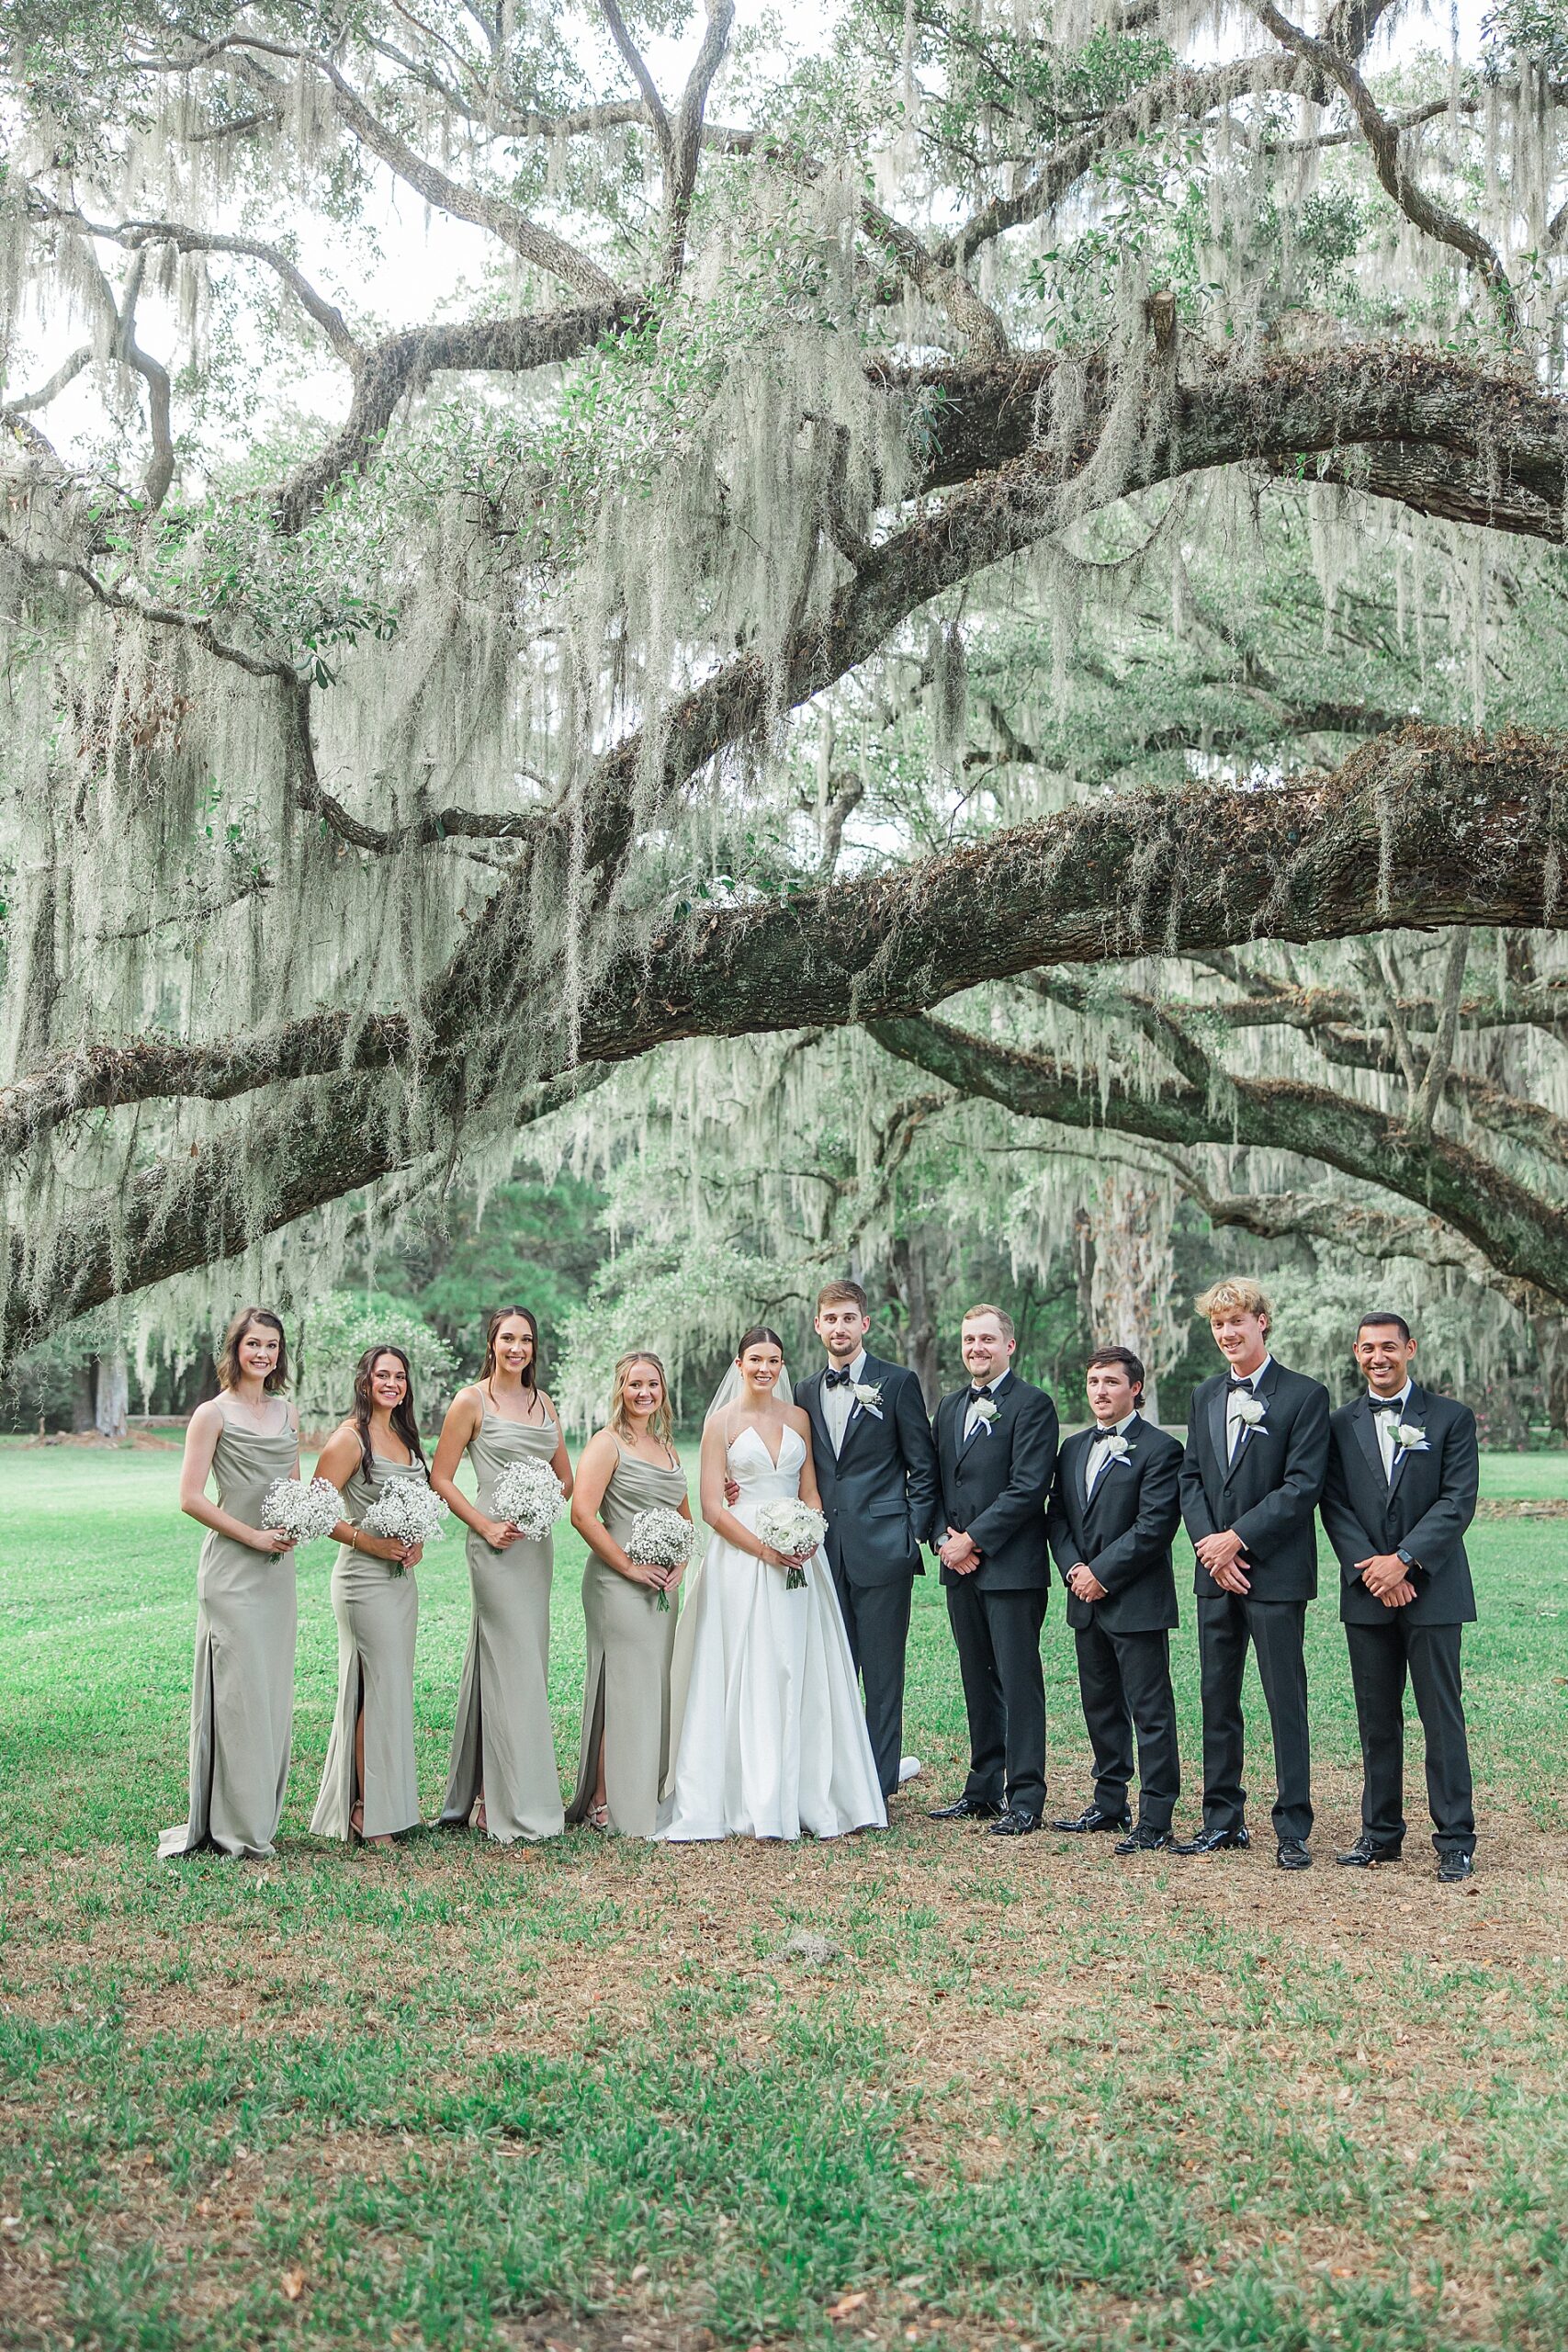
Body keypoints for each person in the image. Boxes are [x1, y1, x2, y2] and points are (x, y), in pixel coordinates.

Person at [661, 1327, 885, 1842]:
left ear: (783, 1365)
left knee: (799, 1662)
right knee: (750, 1662)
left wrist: (808, 1537)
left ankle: (811, 1790)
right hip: (742, 1559)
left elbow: (809, 1490)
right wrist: (767, 1551)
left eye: (775, 1360)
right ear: (738, 1364)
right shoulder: (719, 1424)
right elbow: (713, 1509)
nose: (766, 1368)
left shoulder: (798, 1418)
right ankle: (750, 1794)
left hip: (802, 1558)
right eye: (756, 1359)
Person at [1320, 1312, 1479, 1883]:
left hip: (1434, 1592)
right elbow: (1332, 1505)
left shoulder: (1451, 1418)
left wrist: (1404, 1561)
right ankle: (1381, 1835)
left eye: (1389, 1347)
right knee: (1376, 1720)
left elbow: (1457, 1501)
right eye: (1367, 1349)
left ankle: (1455, 1839)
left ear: (1409, 1348)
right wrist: (1374, 1570)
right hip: (1367, 1593)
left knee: (1442, 1718)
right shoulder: (1337, 1424)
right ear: (1356, 1354)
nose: (1378, 1358)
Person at [1178, 1277, 1329, 1870]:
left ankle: (1293, 1827)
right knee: (1217, 1695)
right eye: (1218, 1325)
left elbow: (1302, 1486)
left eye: (1237, 1321)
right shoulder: (1205, 1394)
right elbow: (1190, 1477)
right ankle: (1222, 1818)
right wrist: (1210, 1547)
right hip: (1214, 1574)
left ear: (1262, 1322)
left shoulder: (1304, 1395)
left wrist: (1238, 1539)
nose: (1227, 1333)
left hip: (1275, 1572)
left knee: (1282, 1697)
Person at [159, 1307, 301, 1860]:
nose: (263, 1354)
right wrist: (254, 1536)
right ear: (235, 1350)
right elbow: (191, 1498)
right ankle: (230, 1826)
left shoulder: (288, 1412)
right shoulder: (210, 1414)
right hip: (232, 1572)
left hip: (277, 1573)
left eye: (272, 1345)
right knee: (238, 1695)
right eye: (253, 1344)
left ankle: (256, 1815)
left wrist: (295, 1522)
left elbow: (292, 1483)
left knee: (269, 1692)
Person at [793, 1280, 940, 1804]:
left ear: (865, 1324)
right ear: (818, 1325)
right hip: (820, 1554)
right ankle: (831, 1779)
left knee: (882, 1677)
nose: (840, 1328)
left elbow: (922, 1467)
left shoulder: (896, 1383)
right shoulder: (804, 1391)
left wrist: (910, 1533)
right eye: (830, 1319)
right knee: (829, 1673)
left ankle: (877, 1787)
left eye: (849, 1318)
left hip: (883, 1548)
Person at [434, 1306, 571, 1843]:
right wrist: (486, 1526)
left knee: (521, 1661)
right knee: (511, 1660)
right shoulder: (471, 1401)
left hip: (535, 1546)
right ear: (491, 1343)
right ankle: (507, 1801)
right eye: (508, 1339)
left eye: (527, 1340)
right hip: (492, 1546)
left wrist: (540, 1505)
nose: (518, 1348)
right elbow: (442, 1478)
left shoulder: (544, 1402)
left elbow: (566, 1477)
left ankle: (487, 1791)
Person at [1045, 1345, 1183, 1852]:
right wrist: (1074, 1570)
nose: (1100, 1391)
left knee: (1150, 1710)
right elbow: (1056, 1516)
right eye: (1094, 1382)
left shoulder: (1161, 1449)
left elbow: (1154, 1528)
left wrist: (1101, 1574)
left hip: (1136, 1601)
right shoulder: (1072, 1448)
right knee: (1099, 1705)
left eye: (1111, 1382)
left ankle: (1156, 1816)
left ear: (1135, 1388)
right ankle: (1108, 1803)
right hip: (1084, 1599)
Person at [927, 1305, 1058, 1836]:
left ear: (1009, 1346)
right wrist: (941, 1539)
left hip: (1012, 1569)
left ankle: (1025, 1796)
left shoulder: (1033, 1405)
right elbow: (932, 1481)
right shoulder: (950, 1405)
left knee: (1018, 1680)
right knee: (976, 1677)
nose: (975, 1348)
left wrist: (974, 1540)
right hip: (958, 1567)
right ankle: (982, 1788)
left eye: (986, 1339)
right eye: (968, 1340)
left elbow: (1028, 1488)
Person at [310, 1345, 431, 1849]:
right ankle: (365, 1812)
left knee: (390, 1692)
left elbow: (420, 1501)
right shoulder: (349, 1439)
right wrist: (370, 1541)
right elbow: (314, 1508)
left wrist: (416, 1540)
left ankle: (387, 1805)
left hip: (400, 1583)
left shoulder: (404, 1435)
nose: (392, 1384)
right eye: (383, 1375)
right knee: (374, 1693)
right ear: (364, 1381)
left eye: (400, 1377)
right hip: (362, 1579)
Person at [566, 1351, 692, 1838]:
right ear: (620, 1389)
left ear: (663, 1391)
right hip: (616, 1584)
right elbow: (582, 1514)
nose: (644, 1393)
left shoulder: (668, 1447)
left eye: (653, 1385)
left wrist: (679, 1560)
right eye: (635, 1384)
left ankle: (640, 1792)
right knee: (622, 1688)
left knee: (649, 1688)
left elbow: (683, 1516)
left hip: (662, 1586)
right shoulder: (606, 1443)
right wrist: (629, 1567)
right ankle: (604, 1801)